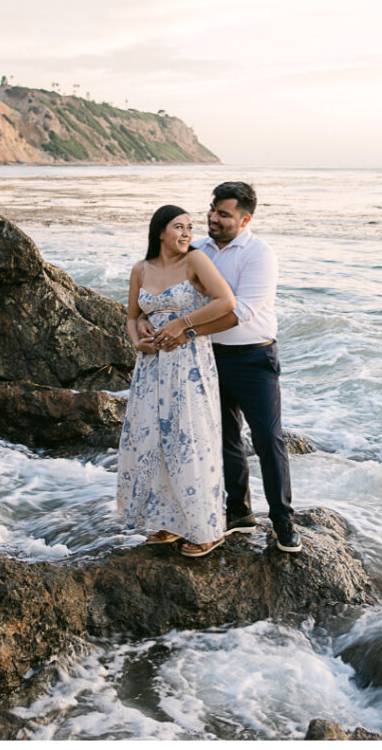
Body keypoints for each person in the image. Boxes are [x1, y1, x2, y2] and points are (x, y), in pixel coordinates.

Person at [149, 182, 301, 553]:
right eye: (212, 210)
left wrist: (185, 329)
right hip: (205, 358)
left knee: (268, 438)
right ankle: (238, 513)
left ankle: (282, 520)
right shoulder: (196, 248)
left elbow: (241, 312)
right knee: (222, 438)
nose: (212, 218)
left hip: (253, 358)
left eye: (223, 214)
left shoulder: (259, 255)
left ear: (245, 219)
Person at [117, 204, 236, 558]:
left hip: (189, 364)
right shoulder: (141, 269)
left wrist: (183, 324)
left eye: (189, 227)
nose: (186, 234)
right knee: (153, 439)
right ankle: (168, 522)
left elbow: (226, 302)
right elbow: (132, 317)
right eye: (178, 227)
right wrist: (137, 338)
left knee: (190, 439)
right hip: (151, 367)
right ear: (160, 233)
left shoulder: (196, 262)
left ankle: (208, 528)